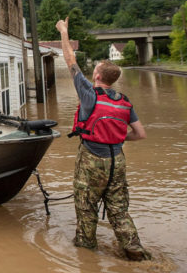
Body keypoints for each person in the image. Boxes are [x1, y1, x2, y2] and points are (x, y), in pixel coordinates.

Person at [55, 17, 151, 261]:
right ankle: (136, 254)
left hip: (91, 161)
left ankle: (87, 258)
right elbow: (140, 134)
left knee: (86, 209)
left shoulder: (89, 94)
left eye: (95, 69)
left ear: (97, 76)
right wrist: (116, 138)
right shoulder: (124, 101)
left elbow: (70, 60)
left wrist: (64, 32)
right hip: (117, 160)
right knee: (119, 211)